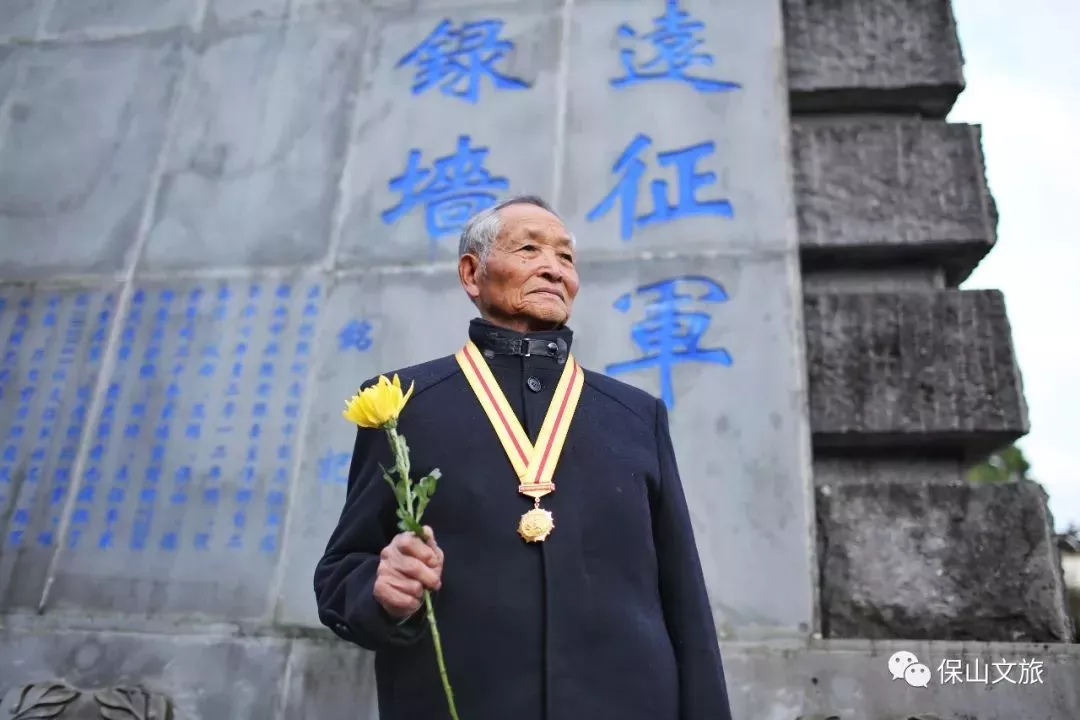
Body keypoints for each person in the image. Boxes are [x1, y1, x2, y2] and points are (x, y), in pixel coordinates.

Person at [313, 195, 733, 720]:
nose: (554, 269)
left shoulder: (635, 416)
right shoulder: (401, 404)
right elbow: (341, 574)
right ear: (472, 273)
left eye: (566, 257)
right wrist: (380, 589)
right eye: (529, 249)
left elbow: (686, 601)